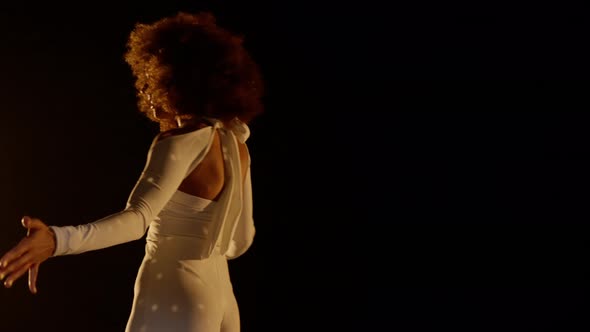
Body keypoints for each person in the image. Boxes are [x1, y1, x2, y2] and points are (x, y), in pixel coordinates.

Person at [0, 10, 264, 332]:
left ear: (177, 81)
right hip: (222, 299)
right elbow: (241, 242)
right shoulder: (237, 145)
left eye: (154, 79)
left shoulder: (179, 142)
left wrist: (57, 240)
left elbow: (137, 219)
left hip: (172, 290)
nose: (148, 90)